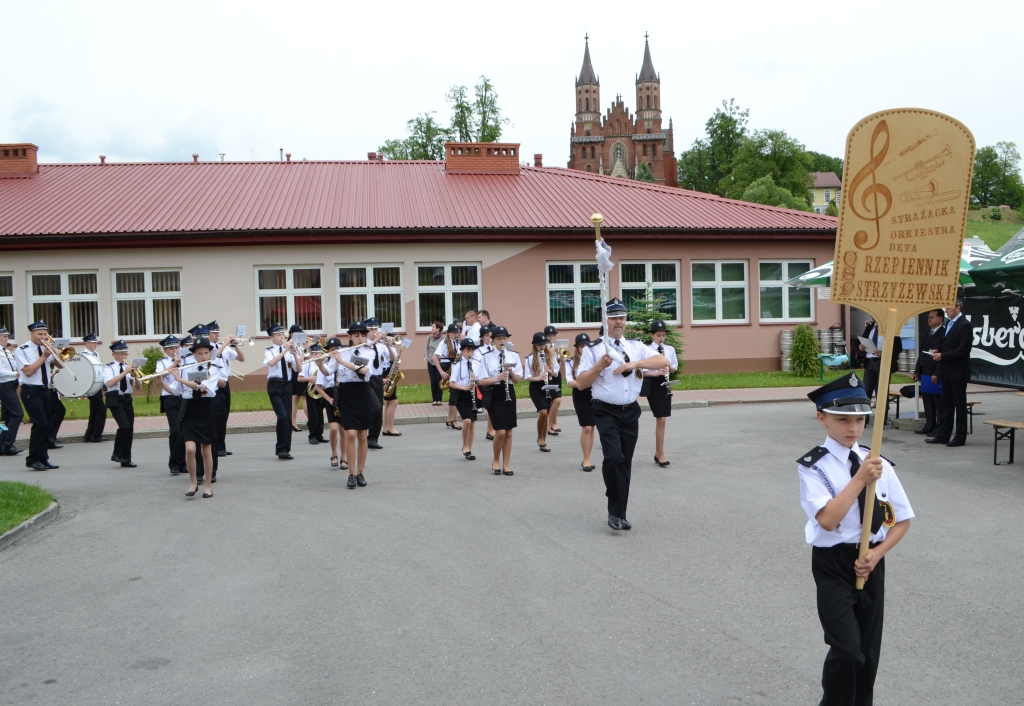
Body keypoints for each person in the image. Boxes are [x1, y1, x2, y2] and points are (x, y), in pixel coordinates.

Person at [799, 373, 914, 705]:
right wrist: (860, 480)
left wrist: (877, 555)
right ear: (822, 418)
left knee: (867, 653)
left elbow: (902, 521)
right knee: (847, 650)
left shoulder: (879, 464)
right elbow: (828, 520)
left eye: (860, 420)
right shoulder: (814, 467)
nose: (853, 428)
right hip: (833, 564)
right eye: (843, 419)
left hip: (870, 562)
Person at [574, 299, 668, 530]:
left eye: (622, 318)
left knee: (624, 462)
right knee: (614, 457)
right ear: (605, 321)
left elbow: (662, 360)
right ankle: (614, 504)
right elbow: (581, 383)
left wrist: (632, 364)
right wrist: (599, 366)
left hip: (630, 411)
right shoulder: (594, 350)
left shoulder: (635, 346)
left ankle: (619, 512)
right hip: (605, 410)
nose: (618, 322)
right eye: (614, 318)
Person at [318, 321, 373, 489]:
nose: (360, 338)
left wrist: (340, 360)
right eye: (356, 335)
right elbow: (327, 371)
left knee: (362, 435)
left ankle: (360, 472)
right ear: (349, 336)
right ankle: (351, 473)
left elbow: (363, 370)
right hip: (346, 394)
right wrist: (319, 364)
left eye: (362, 335)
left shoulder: (369, 352)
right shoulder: (341, 351)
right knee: (350, 434)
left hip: (362, 392)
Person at [176, 337, 222, 499]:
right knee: (190, 449)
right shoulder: (186, 367)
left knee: (206, 450)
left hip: (205, 408)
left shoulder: (214, 368)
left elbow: (204, 388)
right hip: (189, 408)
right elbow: (176, 390)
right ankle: (193, 481)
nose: (203, 356)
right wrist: (162, 380)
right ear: (194, 354)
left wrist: (181, 379)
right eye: (200, 353)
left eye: (206, 353)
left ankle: (208, 485)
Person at [927, 298, 974, 447]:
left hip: (958, 371)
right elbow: (948, 345)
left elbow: (964, 349)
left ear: (958, 308)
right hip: (946, 370)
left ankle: (960, 436)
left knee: (959, 405)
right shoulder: (949, 324)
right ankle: (943, 434)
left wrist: (943, 355)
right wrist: (938, 351)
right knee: (945, 405)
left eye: (948, 308)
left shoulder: (965, 325)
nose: (946, 311)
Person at [15, 321, 58, 470]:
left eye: (45, 334)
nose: (43, 337)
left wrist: (55, 353)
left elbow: (60, 365)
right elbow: (28, 371)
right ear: (32, 334)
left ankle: (43, 458)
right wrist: (44, 356)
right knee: (40, 424)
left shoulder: (45, 349)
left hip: (45, 389)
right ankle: (33, 459)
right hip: (31, 390)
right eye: (40, 334)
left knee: (47, 425)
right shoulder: (23, 350)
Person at [479, 326, 521, 475]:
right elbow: (481, 381)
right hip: (495, 393)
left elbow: (517, 380)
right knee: (500, 432)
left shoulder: (513, 356)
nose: (502, 341)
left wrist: (510, 371)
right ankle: (496, 460)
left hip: (509, 392)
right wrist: (496, 378)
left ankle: (506, 464)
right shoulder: (487, 357)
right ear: (493, 340)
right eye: (499, 339)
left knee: (508, 432)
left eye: (504, 338)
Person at [264, 323, 302, 460]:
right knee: (282, 416)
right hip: (275, 385)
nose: (282, 337)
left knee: (287, 418)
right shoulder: (269, 351)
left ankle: (285, 449)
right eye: (279, 335)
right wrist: (285, 350)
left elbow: (299, 369)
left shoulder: (288, 351)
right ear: (272, 338)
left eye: (282, 335)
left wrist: (295, 353)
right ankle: (280, 448)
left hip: (287, 385)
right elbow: (271, 363)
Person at [644, 320, 679, 467]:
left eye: (663, 335)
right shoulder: (647, 350)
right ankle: (660, 453)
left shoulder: (669, 349)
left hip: (665, 384)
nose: (661, 338)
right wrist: (656, 372)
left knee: (663, 419)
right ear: (652, 335)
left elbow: (674, 367)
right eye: (658, 335)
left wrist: (669, 367)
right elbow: (642, 371)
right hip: (653, 384)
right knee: (661, 417)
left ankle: (659, 452)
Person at [103, 340, 141, 468]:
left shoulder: (129, 367)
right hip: (115, 399)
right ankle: (116, 454)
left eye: (125, 354)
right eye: (120, 354)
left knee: (130, 429)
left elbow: (138, 388)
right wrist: (125, 372)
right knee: (124, 426)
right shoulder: (109, 368)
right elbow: (110, 383)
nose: (123, 356)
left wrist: (136, 376)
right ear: (113, 354)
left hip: (127, 399)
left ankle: (126, 459)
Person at [209, 320, 244, 457]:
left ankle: (221, 446)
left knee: (224, 415)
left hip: (225, 382)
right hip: (215, 383)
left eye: (218, 332)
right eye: (214, 332)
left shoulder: (223, 347)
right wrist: (224, 344)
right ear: (208, 334)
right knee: (217, 416)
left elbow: (241, 359)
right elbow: (213, 357)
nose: (217, 335)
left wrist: (236, 346)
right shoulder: (208, 348)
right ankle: (216, 447)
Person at [859, 318, 902, 426]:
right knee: (866, 391)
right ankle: (864, 419)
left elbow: (898, 347)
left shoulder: (890, 328)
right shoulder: (870, 327)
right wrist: (861, 347)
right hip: (869, 361)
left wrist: (884, 352)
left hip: (883, 362)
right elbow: (863, 341)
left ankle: (881, 419)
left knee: (881, 391)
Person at [563, 333, 596, 472]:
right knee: (586, 427)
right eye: (581, 346)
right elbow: (570, 382)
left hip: (594, 393)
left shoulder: (594, 360)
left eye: (586, 345)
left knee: (592, 427)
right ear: (577, 348)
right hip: (580, 394)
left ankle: (588, 457)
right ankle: (585, 458)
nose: (584, 348)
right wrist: (582, 383)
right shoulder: (571, 362)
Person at [315, 337, 348, 471]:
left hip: (343, 395)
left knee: (344, 430)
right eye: (332, 349)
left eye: (337, 349)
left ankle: (344, 457)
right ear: (328, 351)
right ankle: (334, 453)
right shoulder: (325, 365)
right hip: (330, 396)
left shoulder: (343, 362)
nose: (334, 351)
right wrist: (328, 398)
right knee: (334, 428)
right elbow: (318, 387)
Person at [155, 335, 187, 475]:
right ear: (165, 350)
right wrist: (174, 364)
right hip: (169, 398)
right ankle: (173, 463)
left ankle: (183, 463)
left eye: (176, 347)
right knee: (176, 432)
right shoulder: (162, 362)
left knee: (184, 432)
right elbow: (158, 378)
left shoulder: (185, 360)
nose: (174, 350)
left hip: (184, 398)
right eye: (171, 348)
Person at [448, 338, 483, 461]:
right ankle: (465, 445)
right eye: (468, 350)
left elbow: (481, 379)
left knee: (472, 422)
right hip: (461, 394)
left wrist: (476, 380)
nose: (470, 353)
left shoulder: (476, 363)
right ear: (462, 350)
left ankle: (469, 448)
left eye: (472, 351)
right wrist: (464, 387)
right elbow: (452, 383)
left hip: (473, 394)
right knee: (467, 420)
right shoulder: (457, 364)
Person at [913, 309, 945, 437]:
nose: (929, 319)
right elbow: (922, 354)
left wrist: (937, 373)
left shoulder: (943, 334)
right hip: (925, 373)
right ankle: (929, 425)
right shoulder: (929, 333)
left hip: (934, 373)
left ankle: (939, 427)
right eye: (928, 317)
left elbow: (942, 355)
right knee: (927, 401)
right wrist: (917, 370)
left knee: (938, 402)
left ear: (940, 319)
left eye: (932, 317)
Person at [524, 332, 558, 453]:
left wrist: (550, 371)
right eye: (539, 345)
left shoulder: (551, 356)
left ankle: (543, 441)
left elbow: (556, 373)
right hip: (536, 387)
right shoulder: (530, 358)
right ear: (535, 346)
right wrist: (538, 378)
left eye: (543, 344)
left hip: (547, 385)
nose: (542, 347)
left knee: (546, 414)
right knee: (543, 412)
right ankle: (540, 437)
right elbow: (527, 377)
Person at [363, 318, 393, 450]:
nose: (374, 331)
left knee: (378, 408)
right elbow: (365, 348)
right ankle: (364, 434)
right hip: (366, 379)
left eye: (375, 329)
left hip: (378, 379)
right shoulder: (363, 343)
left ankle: (373, 438)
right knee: (374, 407)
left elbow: (393, 358)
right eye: (371, 329)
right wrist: (376, 340)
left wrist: (388, 345)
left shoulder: (380, 345)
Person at [79, 333, 107, 443]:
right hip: (90, 384)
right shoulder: (83, 355)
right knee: (101, 409)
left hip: (97, 384)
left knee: (95, 410)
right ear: (86, 343)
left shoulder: (95, 354)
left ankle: (89, 435)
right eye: (92, 342)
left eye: (96, 342)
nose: (95, 344)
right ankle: (96, 434)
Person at [433, 324, 462, 429]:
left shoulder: (457, 343)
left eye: (456, 333)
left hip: (455, 367)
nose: (455, 334)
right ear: (448, 333)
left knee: (453, 395)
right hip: (446, 367)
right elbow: (435, 356)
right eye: (453, 333)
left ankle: (450, 419)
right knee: (454, 395)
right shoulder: (444, 343)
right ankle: (455, 420)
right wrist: (441, 371)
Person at [0, 326, 23, 456]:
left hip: (11, 384)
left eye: (7, 336)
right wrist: (15, 374)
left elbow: (14, 365)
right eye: (4, 336)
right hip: (3, 385)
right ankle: (8, 444)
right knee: (17, 414)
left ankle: (2, 443)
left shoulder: (6, 351)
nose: (7, 339)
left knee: (7, 416)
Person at [299, 343, 326, 445]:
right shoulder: (307, 364)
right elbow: (299, 378)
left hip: (321, 389)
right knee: (313, 413)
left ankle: (319, 434)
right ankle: (312, 435)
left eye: (319, 353)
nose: (317, 355)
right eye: (315, 353)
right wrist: (310, 378)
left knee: (320, 413)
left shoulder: (323, 363)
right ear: (310, 355)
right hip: (311, 390)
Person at [543, 325, 565, 436]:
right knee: (553, 400)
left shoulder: (558, 346)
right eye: (549, 336)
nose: (551, 338)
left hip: (556, 375)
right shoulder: (544, 347)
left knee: (557, 399)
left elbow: (564, 362)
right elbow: (545, 360)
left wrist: (561, 353)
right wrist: (551, 351)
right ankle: (549, 425)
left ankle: (554, 423)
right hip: (548, 374)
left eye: (553, 335)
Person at [478, 324, 496, 441]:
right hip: (485, 380)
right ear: (482, 337)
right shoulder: (478, 351)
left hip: (494, 379)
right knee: (490, 406)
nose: (489, 338)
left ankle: (493, 428)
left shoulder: (494, 348)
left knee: (495, 405)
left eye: (490, 335)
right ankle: (490, 429)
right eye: (486, 335)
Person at [287, 324, 305, 433]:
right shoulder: (290, 344)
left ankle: (294, 421)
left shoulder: (299, 344)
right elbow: (297, 360)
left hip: (301, 370)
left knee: (300, 396)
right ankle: (293, 421)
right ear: (292, 333)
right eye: (297, 333)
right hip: (295, 371)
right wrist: (304, 353)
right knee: (296, 397)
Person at [425, 321, 445, 406]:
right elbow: (426, 348)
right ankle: (434, 399)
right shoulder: (429, 337)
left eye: (433, 327)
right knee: (433, 381)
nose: (432, 328)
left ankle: (439, 399)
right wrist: (426, 355)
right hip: (430, 362)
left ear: (438, 329)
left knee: (438, 380)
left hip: (439, 362)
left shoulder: (444, 338)